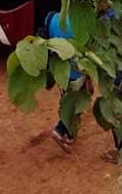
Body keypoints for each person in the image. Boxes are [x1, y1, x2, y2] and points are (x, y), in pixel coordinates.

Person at [45, 11, 82, 154]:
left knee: (68, 100)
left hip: (61, 70)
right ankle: (60, 131)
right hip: (77, 72)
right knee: (76, 103)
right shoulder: (81, 25)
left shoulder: (53, 18)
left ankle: (70, 135)